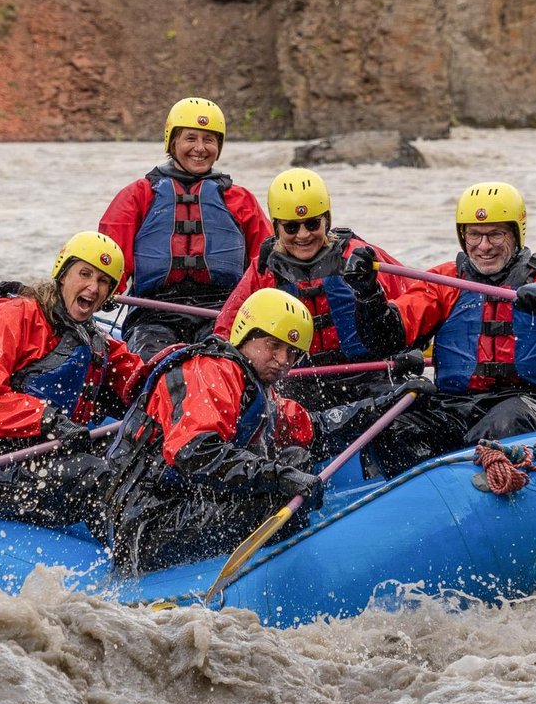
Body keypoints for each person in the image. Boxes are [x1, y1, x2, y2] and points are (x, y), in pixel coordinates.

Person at [105, 288, 429, 574]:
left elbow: (315, 429)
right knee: (283, 495)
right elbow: (195, 451)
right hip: (145, 520)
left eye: (291, 352)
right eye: (273, 346)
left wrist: (384, 403)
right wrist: (278, 476)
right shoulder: (210, 370)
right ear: (246, 335)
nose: (282, 361)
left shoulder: (259, 391)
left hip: (180, 500)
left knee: (295, 457)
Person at [346, 181, 536, 477]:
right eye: (474, 235)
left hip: (533, 402)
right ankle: (431, 495)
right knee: (394, 428)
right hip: (457, 406)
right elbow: (386, 338)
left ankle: (481, 475)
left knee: (506, 422)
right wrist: (367, 294)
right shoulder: (444, 280)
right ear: (463, 236)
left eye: (495, 234)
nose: (484, 246)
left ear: (515, 233)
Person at [0, 231, 148, 535]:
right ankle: (132, 556)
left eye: (103, 281)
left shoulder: (93, 338)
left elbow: (137, 378)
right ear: (63, 273)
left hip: (50, 454)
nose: (93, 288)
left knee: (137, 455)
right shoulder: (14, 315)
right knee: (98, 476)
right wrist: (49, 420)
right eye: (85, 274)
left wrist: (176, 381)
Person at [213, 167, 423, 410]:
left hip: (368, 377)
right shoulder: (264, 272)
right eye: (291, 227)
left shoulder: (358, 257)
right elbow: (226, 331)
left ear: (327, 221)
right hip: (295, 384)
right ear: (277, 227)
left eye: (313, 224)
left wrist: (412, 349)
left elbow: (418, 301)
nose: (303, 235)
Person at [98, 97, 271, 360]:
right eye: (190, 138)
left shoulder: (240, 200)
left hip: (223, 313)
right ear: (172, 142)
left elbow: (268, 264)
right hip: (153, 314)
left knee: (225, 365)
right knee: (156, 366)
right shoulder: (138, 195)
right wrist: (106, 288)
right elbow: (107, 255)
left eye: (209, 140)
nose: (200, 148)